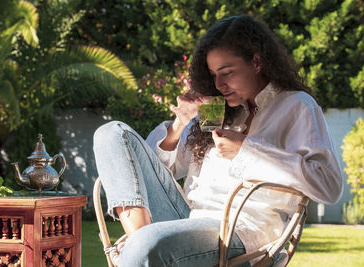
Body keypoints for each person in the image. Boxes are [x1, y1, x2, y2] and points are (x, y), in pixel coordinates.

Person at [93, 15, 343, 267]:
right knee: (111, 133)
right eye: (213, 75)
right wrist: (179, 124)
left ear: (257, 61)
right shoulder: (218, 111)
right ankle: (139, 236)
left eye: (227, 73)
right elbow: (143, 175)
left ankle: (141, 244)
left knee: (146, 244)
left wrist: (246, 151)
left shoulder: (296, 106)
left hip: (242, 233)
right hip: (186, 221)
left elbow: (328, 185)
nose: (219, 84)